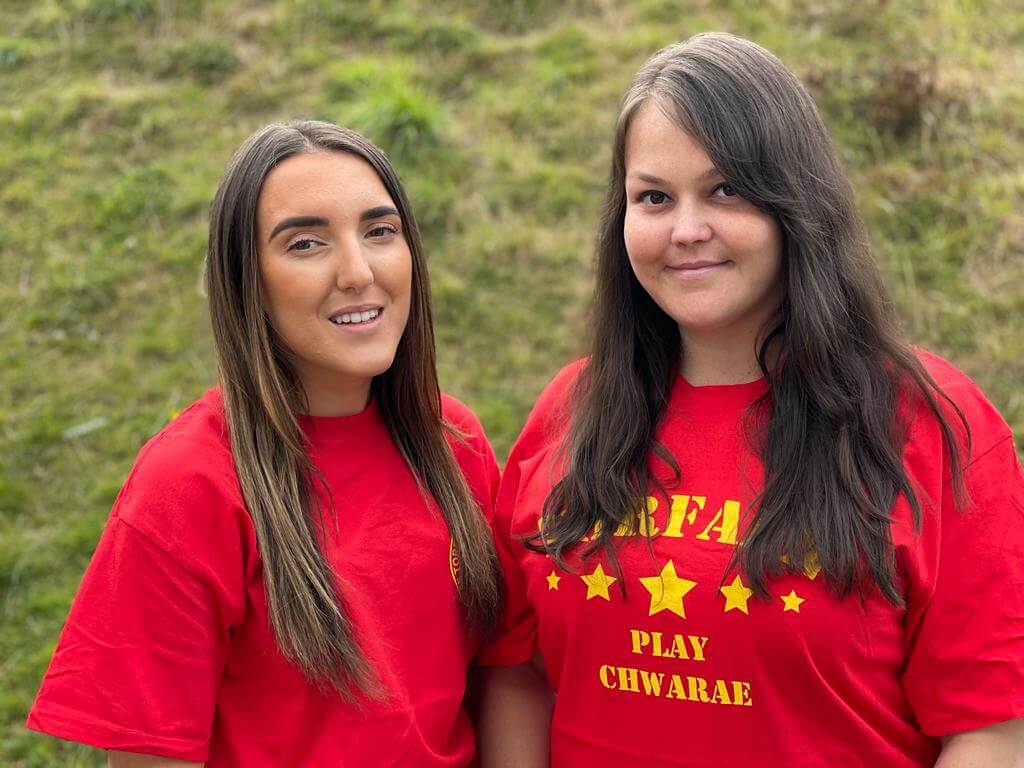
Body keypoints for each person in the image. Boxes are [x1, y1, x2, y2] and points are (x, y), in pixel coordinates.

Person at [477, 33, 1024, 767]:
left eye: (726, 189)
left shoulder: (931, 423)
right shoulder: (570, 411)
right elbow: (517, 671)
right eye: (654, 198)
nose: (687, 230)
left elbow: (992, 725)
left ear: (796, 202)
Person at [27, 120, 503, 767]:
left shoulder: (455, 443)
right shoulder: (188, 486)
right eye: (306, 243)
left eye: (380, 231)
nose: (358, 272)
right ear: (247, 279)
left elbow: (500, 679)